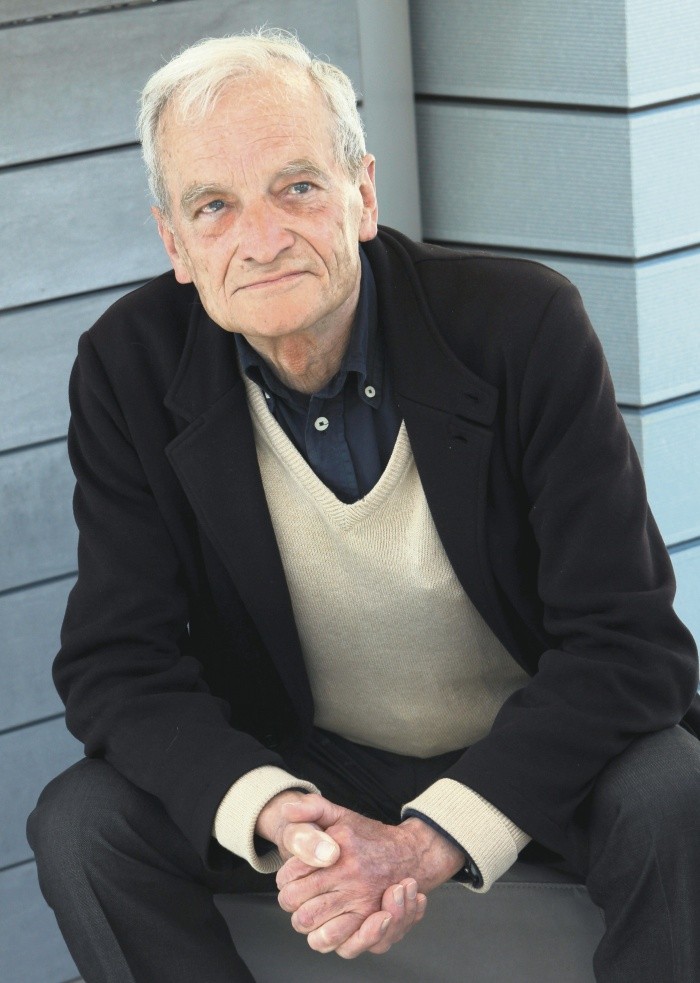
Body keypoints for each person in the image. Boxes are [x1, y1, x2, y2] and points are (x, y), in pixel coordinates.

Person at [27, 29, 700, 983]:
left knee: (673, 790)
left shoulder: (523, 325)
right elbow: (117, 663)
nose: (263, 239)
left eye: (297, 187)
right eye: (214, 206)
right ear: (176, 243)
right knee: (83, 824)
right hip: (306, 763)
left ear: (363, 193)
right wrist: (271, 806)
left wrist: (430, 838)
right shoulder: (125, 367)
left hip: (532, 744)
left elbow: (631, 644)